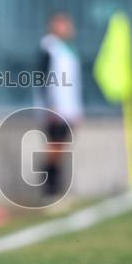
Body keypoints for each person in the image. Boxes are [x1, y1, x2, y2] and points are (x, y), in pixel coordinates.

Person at [37, 12, 83, 199]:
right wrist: (50, 105)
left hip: (68, 108)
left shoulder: (68, 49)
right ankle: (49, 187)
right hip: (55, 108)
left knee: (61, 146)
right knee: (54, 147)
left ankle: (56, 187)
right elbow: (43, 79)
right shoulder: (49, 48)